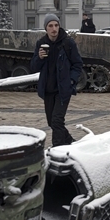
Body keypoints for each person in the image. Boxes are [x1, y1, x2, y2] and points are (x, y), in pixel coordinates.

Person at [31, 13, 83, 147]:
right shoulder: (41, 43)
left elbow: (77, 64)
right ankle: (70, 141)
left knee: (57, 121)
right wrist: (39, 58)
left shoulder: (67, 43)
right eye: (50, 26)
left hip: (62, 90)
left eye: (56, 25)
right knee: (51, 123)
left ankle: (57, 150)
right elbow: (34, 67)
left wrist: (71, 81)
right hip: (48, 90)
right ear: (46, 28)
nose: (54, 28)